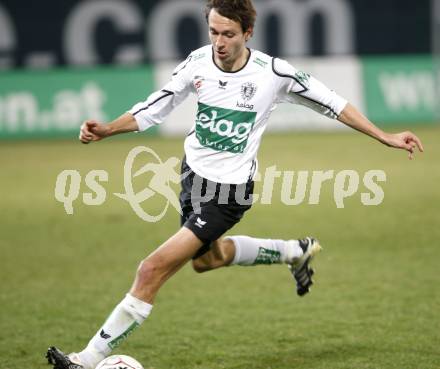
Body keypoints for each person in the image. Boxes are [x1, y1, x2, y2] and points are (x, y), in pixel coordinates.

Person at [46, 0, 424, 368]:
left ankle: (85, 360)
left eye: (228, 33)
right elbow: (155, 106)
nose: (220, 42)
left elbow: (335, 103)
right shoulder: (197, 62)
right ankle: (294, 250)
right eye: (213, 32)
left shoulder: (273, 73)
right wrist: (109, 129)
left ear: (248, 32)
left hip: (227, 195)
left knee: (151, 269)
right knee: (205, 261)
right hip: (192, 178)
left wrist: (384, 136)